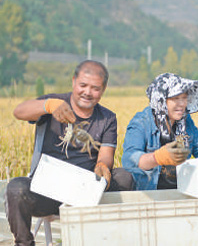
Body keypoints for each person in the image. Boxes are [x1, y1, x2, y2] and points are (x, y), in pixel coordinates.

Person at [5, 60, 133, 246]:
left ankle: (109, 238)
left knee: (124, 177)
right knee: (16, 188)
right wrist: (48, 106)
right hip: (48, 191)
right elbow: (19, 112)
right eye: (83, 85)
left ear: (103, 89)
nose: (87, 92)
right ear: (74, 82)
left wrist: (102, 166)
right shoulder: (54, 103)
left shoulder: (107, 118)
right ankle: (24, 242)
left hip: (86, 192)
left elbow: (106, 154)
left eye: (95, 88)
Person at [122, 73, 198, 190]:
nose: (182, 104)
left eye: (184, 98)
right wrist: (157, 157)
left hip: (180, 188)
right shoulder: (141, 122)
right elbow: (129, 160)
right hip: (151, 190)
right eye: (176, 98)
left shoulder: (185, 122)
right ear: (161, 100)